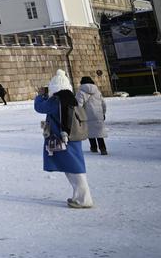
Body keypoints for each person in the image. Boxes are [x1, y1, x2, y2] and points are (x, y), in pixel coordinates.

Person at [34, 69, 93, 208]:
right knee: (73, 167)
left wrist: (40, 95)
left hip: (62, 138)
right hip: (72, 137)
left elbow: (39, 107)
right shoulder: (71, 99)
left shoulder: (56, 101)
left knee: (73, 169)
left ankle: (83, 199)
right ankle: (80, 197)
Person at [76, 75, 108, 155]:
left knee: (90, 131)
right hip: (98, 114)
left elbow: (79, 105)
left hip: (87, 115)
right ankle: (103, 148)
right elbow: (103, 104)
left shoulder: (80, 91)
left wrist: (79, 115)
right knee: (99, 132)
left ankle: (93, 147)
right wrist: (103, 113)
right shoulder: (97, 91)